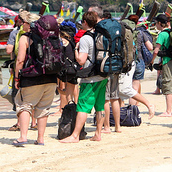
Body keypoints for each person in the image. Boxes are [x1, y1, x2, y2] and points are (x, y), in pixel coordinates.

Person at [60, 11, 108, 143]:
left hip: (90, 77)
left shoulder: (85, 38)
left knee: (82, 106)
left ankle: (75, 136)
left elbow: (81, 60)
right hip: (102, 75)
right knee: (100, 106)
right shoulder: (100, 35)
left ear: (85, 23)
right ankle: (98, 134)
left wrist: (76, 50)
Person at [13, 13, 58, 146]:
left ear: (30, 24)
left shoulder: (25, 38)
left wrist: (17, 77)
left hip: (31, 76)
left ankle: (23, 136)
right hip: (51, 76)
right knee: (44, 108)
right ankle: (40, 138)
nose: (22, 25)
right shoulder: (53, 37)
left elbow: (20, 60)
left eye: (24, 23)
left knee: (25, 105)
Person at [152, 14, 172, 117]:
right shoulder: (171, 32)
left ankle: (168, 111)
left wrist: (152, 61)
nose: (155, 25)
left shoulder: (162, 34)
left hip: (167, 61)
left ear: (160, 23)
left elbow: (156, 50)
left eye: (156, 23)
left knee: (168, 84)